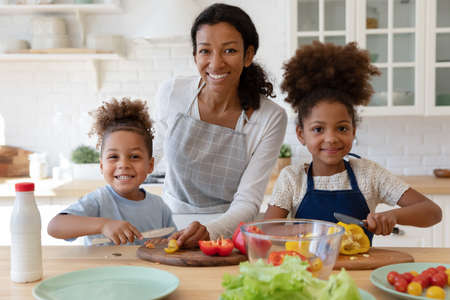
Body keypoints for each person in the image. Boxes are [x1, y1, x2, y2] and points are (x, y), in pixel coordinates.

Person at [264, 41, 442, 241]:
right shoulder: (292, 178)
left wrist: (392, 216)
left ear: (353, 131)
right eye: (318, 129)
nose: (331, 139)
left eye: (342, 128)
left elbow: (433, 212)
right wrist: (312, 230)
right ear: (301, 134)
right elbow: (269, 229)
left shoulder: (369, 174)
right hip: (308, 269)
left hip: (360, 270)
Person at [155, 3, 287, 248]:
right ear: (195, 55)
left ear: (248, 55)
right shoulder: (173, 93)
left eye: (229, 51)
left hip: (228, 231)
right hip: (170, 225)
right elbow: (150, 156)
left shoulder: (270, 117)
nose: (215, 64)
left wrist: (211, 231)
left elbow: (248, 201)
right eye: (205, 51)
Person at [47, 98, 176, 245]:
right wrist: (103, 225)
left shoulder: (159, 207)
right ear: (101, 166)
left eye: (134, 156)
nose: (123, 164)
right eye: (113, 156)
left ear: (150, 165)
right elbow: (54, 226)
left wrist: (167, 243)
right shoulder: (98, 201)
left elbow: (171, 243)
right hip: (102, 268)